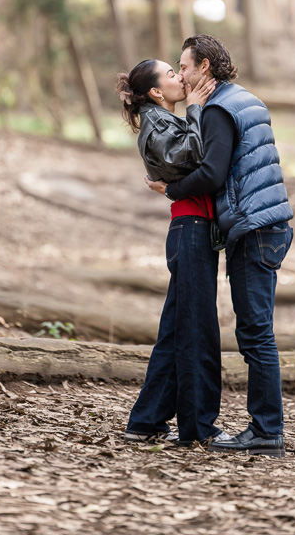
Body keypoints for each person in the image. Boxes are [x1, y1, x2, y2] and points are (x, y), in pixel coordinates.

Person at [145, 35, 293, 458]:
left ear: (205, 67)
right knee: (255, 332)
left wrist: (170, 188)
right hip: (267, 223)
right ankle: (265, 428)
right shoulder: (243, 98)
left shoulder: (219, 109)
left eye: (185, 66)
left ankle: (266, 430)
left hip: (254, 227)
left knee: (255, 334)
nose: (182, 74)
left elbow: (210, 174)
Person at [115, 58, 230, 446]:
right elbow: (193, 157)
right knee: (198, 331)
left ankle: (146, 420)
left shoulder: (163, 119)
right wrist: (197, 108)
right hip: (190, 231)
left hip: (194, 230)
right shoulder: (157, 122)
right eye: (171, 73)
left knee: (178, 329)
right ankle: (199, 427)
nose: (181, 77)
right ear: (156, 93)